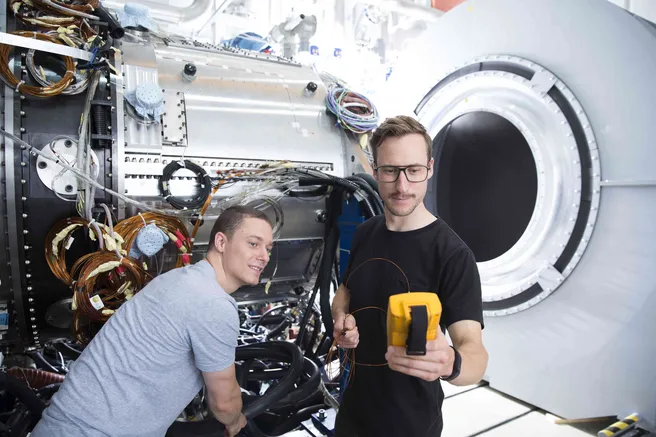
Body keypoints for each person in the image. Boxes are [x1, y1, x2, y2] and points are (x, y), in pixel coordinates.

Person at [31, 205, 274, 437]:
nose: (263, 256)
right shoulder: (212, 302)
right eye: (253, 244)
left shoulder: (178, 279)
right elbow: (223, 404)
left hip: (63, 422)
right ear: (221, 242)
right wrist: (235, 421)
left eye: (269, 249)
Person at [331, 115, 488, 437]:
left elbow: (474, 351)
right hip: (352, 413)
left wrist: (450, 364)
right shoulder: (364, 233)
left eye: (413, 171)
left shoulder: (452, 255)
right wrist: (341, 319)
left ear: (429, 169)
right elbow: (345, 290)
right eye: (390, 171)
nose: (402, 186)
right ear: (375, 172)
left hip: (409, 424)